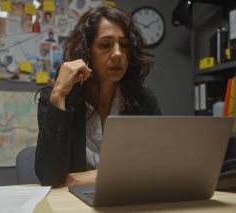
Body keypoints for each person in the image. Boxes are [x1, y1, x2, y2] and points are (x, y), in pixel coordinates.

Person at [35, 5, 161, 188]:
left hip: (127, 198)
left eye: (124, 45)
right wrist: (58, 95)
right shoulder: (54, 99)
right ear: (86, 51)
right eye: (105, 45)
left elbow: (156, 166)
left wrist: (76, 179)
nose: (118, 54)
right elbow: (50, 178)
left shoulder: (143, 101)